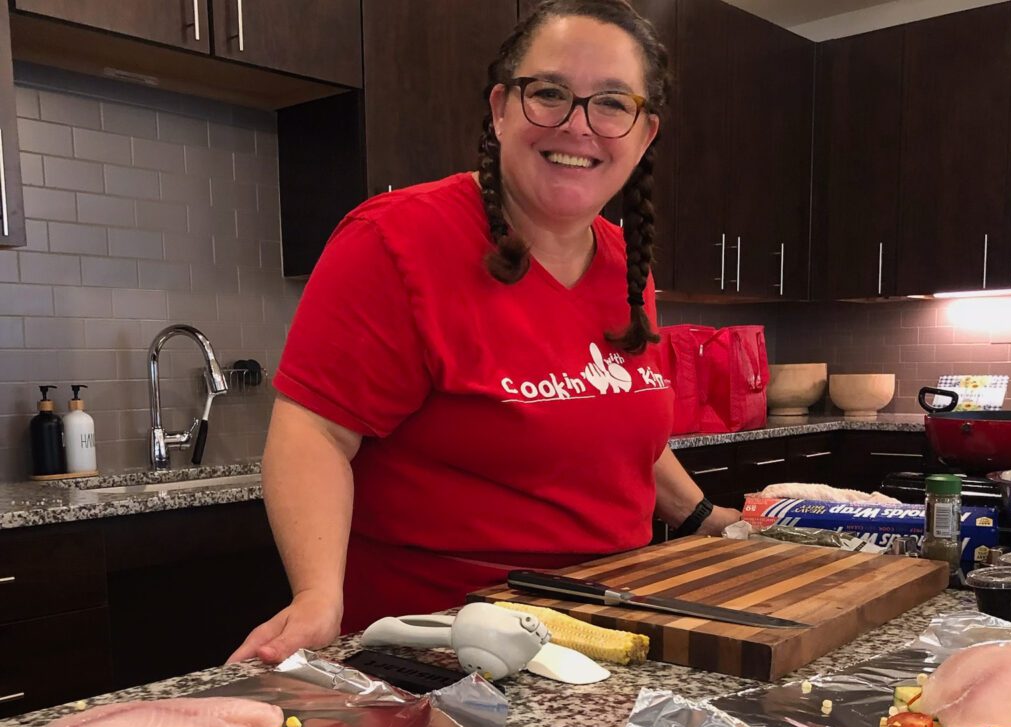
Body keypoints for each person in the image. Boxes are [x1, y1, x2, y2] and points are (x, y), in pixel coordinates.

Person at [229, 0, 739, 665]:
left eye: (612, 103)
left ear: (644, 135)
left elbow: (612, 428)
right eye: (549, 93)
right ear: (500, 108)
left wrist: (706, 518)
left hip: (604, 636)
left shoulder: (625, 262)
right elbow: (314, 432)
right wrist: (319, 595)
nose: (578, 124)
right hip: (445, 653)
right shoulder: (394, 241)